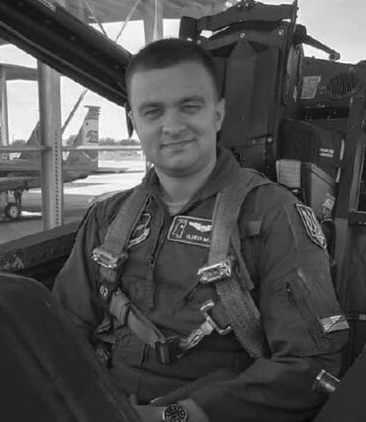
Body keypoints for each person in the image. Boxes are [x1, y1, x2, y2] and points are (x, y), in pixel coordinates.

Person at [52, 38, 348, 422]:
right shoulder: (109, 218)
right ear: (133, 121)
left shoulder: (272, 216)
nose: (173, 126)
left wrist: (178, 416)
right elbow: (60, 328)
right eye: (153, 111)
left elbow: (310, 368)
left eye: (189, 107)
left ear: (218, 114)